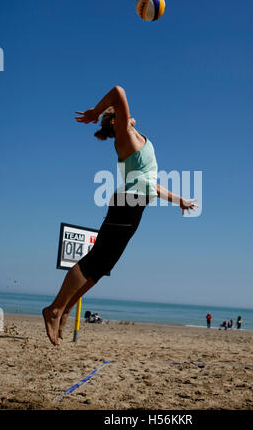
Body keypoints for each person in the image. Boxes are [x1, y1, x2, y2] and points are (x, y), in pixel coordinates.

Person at [42, 85, 199, 345]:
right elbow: (118, 91)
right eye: (123, 115)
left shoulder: (137, 137)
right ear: (116, 120)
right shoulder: (124, 135)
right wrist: (96, 112)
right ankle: (54, 309)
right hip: (127, 204)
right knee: (95, 261)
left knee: (103, 267)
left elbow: (151, 184)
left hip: (135, 207)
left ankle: (67, 307)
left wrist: (179, 200)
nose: (130, 115)